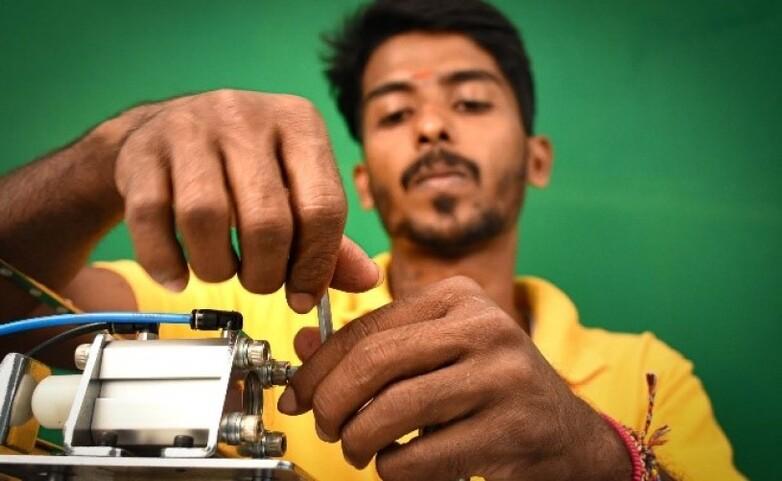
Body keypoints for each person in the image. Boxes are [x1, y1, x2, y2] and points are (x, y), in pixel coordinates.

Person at [0, 1, 745, 480]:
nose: (430, 126)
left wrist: (600, 457)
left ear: (537, 157)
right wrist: (102, 159)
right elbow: (16, 317)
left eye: (471, 100)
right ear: (362, 182)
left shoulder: (650, 374)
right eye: (394, 115)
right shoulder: (232, 298)